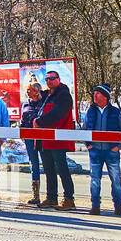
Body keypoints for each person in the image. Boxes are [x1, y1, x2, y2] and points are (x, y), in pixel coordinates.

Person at [33, 69, 76, 210]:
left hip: (57, 139)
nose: (49, 81)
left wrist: (40, 121)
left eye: (52, 78)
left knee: (62, 169)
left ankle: (69, 199)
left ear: (58, 79)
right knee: (49, 169)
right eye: (47, 79)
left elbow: (58, 113)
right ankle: (51, 198)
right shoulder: (48, 95)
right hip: (44, 139)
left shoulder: (63, 95)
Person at [83, 85, 121, 216]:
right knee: (95, 179)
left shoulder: (116, 112)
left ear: (105, 96)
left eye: (98, 93)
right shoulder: (90, 111)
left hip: (111, 151)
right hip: (95, 150)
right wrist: (88, 145)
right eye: (94, 93)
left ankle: (118, 206)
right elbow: (84, 130)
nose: (95, 96)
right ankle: (95, 205)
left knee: (116, 179)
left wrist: (118, 147)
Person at [21, 82, 45, 205]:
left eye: (29, 90)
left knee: (47, 164)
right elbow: (22, 120)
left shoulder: (43, 103)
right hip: (29, 138)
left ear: (36, 91)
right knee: (33, 164)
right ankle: (35, 195)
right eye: (27, 89)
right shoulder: (25, 104)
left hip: (43, 137)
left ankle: (51, 195)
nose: (27, 92)